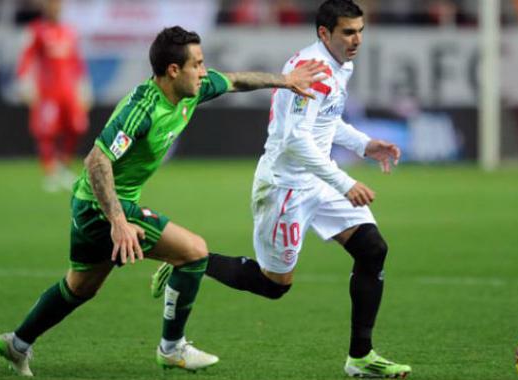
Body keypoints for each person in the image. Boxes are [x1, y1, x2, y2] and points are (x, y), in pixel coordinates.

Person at [0, 25, 327, 376]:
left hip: (92, 206)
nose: (203, 72)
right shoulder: (143, 108)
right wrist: (119, 222)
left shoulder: (193, 90)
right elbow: (97, 160)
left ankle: (17, 344)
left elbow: (236, 80)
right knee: (194, 251)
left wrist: (285, 79)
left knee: (80, 287)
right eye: (197, 64)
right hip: (101, 208)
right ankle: (172, 349)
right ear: (173, 71)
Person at [152, 1, 412, 377]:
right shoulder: (308, 70)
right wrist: (345, 182)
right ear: (324, 33)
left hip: (318, 179)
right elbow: (293, 140)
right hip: (285, 187)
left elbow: (326, 119)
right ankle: (191, 260)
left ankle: (361, 357)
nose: (357, 39)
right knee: (274, 286)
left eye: (360, 31)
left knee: (373, 249)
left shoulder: (342, 65)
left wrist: (365, 144)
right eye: (348, 32)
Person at [16, 0, 91, 192]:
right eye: (52, 5)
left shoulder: (69, 31)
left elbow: (77, 62)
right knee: (46, 132)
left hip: (69, 91)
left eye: (58, 5)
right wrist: (25, 82)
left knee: (77, 127)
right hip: (47, 92)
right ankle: (50, 173)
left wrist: (84, 87)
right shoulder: (36, 31)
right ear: (45, 8)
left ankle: (63, 166)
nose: (55, 9)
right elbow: (26, 57)